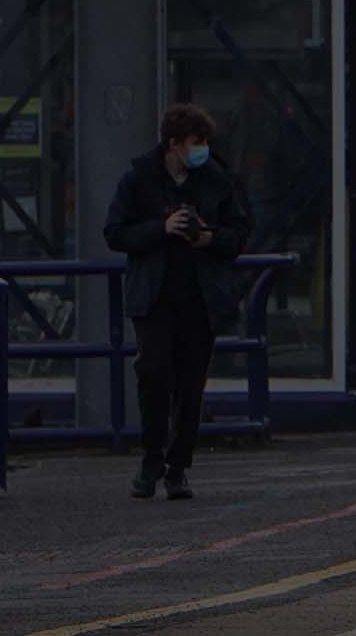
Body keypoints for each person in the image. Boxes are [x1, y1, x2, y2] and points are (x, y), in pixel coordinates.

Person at [104, 104, 250, 500]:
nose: (202, 149)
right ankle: (151, 459)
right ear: (173, 144)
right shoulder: (139, 179)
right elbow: (115, 232)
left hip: (199, 298)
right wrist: (161, 229)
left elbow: (238, 233)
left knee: (190, 384)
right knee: (152, 372)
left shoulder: (216, 180)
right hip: (154, 296)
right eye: (196, 142)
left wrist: (208, 238)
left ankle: (178, 467)